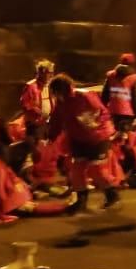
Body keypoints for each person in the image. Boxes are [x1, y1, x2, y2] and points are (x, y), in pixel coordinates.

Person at [46, 74, 122, 212]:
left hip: (97, 137)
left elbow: (103, 112)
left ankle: (112, 195)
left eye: (59, 92)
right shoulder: (61, 102)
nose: (58, 96)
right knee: (76, 170)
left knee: (96, 170)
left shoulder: (84, 96)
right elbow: (56, 120)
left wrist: (95, 122)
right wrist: (51, 137)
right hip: (78, 139)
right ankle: (81, 200)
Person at [103, 53, 136, 134]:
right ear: (132, 64)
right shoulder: (134, 78)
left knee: (114, 138)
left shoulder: (110, 76)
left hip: (113, 112)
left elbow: (105, 95)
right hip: (128, 115)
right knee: (126, 139)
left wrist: (103, 110)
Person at [19, 60, 55, 139]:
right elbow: (26, 105)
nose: (52, 75)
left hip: (48, 124)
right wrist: (40, 115)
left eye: (52, 73)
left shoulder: (50, 86)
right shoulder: (31, 86)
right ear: (41, 73)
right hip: (35, 125)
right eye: (49, 72)